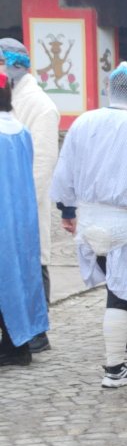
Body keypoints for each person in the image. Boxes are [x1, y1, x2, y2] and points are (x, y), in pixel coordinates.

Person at [50, 63, 127, 389]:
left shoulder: (82, 123)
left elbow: (65, 170)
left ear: (108, 90)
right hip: (126, 223)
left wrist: (67, 209)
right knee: (120, 294)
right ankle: (115, 367)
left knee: (115, 287)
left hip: (90, 219)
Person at [0, 38, 60, 352]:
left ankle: (38, 330)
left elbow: (43, 162)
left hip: (24, 202)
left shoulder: (40, 105)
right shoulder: (10, 98)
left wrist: (22, 205)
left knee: (34, 262)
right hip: (6, 200)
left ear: (15, 65)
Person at [0, 74, 49, 365]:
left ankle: (14, 346)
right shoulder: (20, 130)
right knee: (18, 277)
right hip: (20, 213)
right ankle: (18, 343)